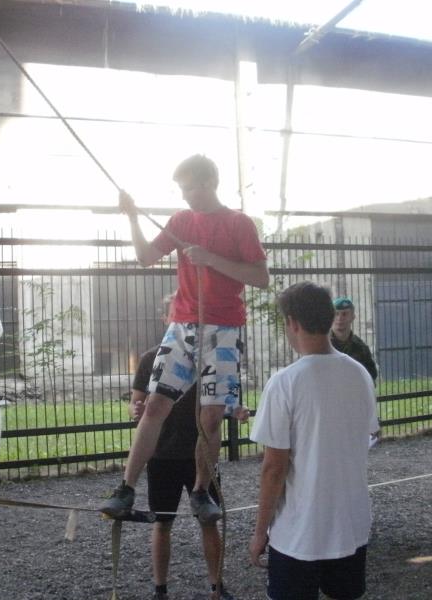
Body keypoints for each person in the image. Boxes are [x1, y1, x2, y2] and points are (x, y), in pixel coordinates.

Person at [101, 154, 269, 525]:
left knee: (211, 416)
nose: (184, 195)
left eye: (189, 187)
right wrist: (132, 217)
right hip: (182, 326)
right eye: (181, 188)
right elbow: (146, 257)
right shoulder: (180, 220)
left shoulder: (238, 223)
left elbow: (261, 277)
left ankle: (200, 491)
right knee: (155, 405)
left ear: (209, 183)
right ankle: (125, 488)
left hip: (224, 329)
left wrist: (211, 259)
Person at [248, 282, 379, 600]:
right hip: (351, 524)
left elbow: (273, 469)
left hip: (299, 532)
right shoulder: (360, 374)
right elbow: (367, 436)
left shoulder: (284, 382)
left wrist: (260, 531)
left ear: (292, 322)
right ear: (330, 317)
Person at [130, 296, 246, 600]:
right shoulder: (150, 358)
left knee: (208, 521)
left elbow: (227, 397)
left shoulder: (212, 356)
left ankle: (217, 586)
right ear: (167, 321)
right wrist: (137, 409)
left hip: (200, 457)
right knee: (162, 523)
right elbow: (137, 400)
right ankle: (160, 589)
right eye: (178, 316)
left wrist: (236, 409)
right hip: (162, 454)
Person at [330, 296, 378, 381]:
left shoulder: (361, 348)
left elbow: (371, 376)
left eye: (344, 314)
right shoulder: (323, 345)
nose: (339, 318)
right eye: (336, 314)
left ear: (353, 317)